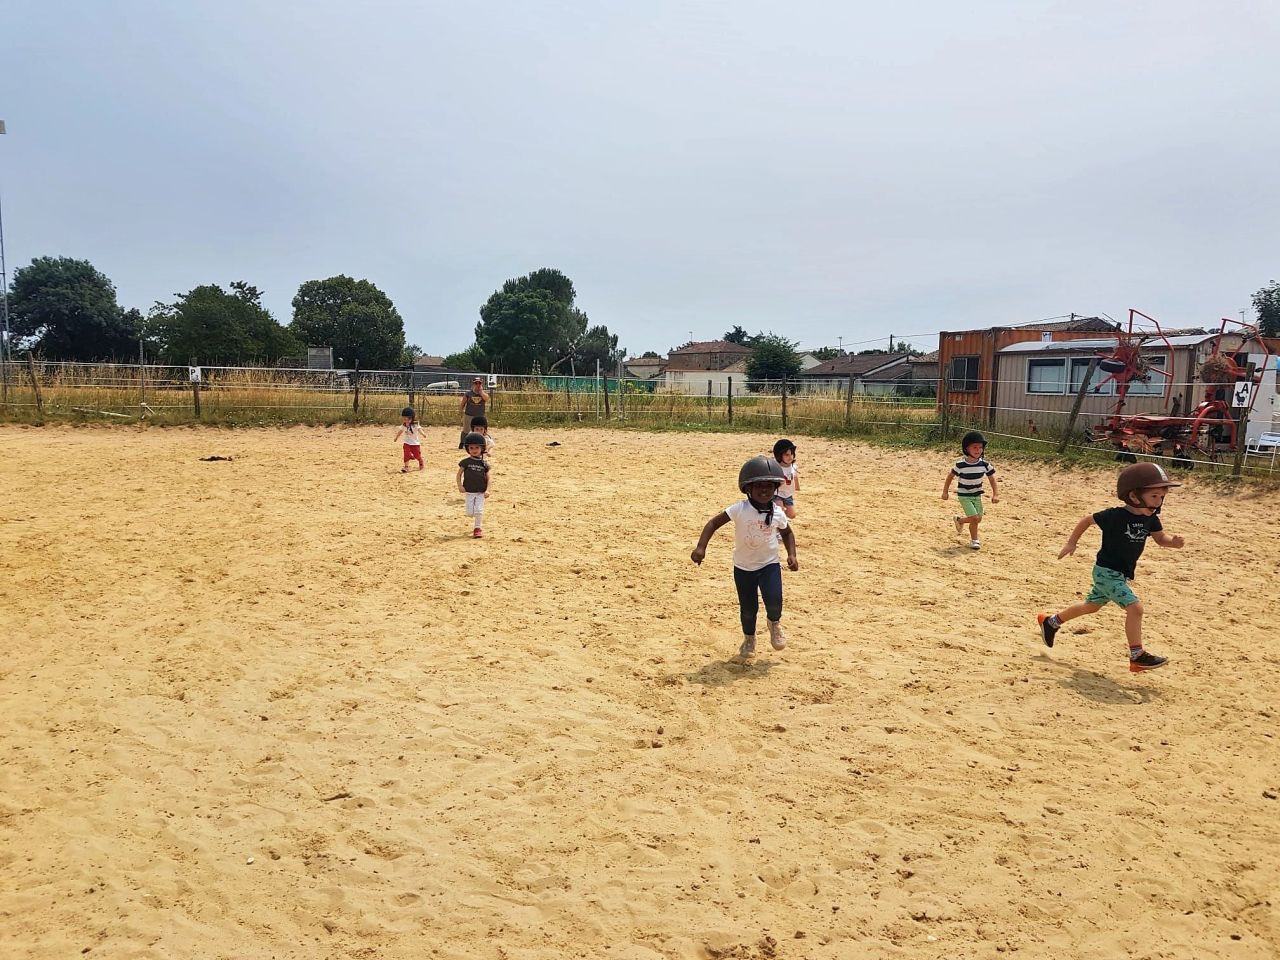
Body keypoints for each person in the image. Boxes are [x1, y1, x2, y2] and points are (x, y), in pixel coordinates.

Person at [1037, 462, 1185, 672]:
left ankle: (1051, 622)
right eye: (1154, 496)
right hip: (1106, 572)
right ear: (1133, 495)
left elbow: (1161, 539)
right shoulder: (1115, 516)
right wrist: (1071, 543)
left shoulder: (1150, 518)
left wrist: (1173, 542)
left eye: (1162, 497)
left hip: (1120, 574)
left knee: (1091, 606)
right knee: (1135, 608)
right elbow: (1087, 520)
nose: (1159, 501)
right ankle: (1137, 655)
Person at [690, 455, 800, 658]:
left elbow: (787, 533)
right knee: (748, 609)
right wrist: (701, 548)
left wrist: (791, 554)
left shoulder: (777, 512)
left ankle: (774, 623)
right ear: (748, 488)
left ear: (775, 489)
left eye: (769, 486)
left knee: (774, 601)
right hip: (743, 568)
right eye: (759, 486)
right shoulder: (740, 509)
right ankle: (749, 638)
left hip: (769, 565)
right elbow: (713, 523)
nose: (764, 490)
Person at [942, 430, 999, 549]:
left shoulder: (985, 465)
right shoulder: (960, 465)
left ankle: (960, 521)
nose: (978, 450)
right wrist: (945, 492)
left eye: (980, 447)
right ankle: (974, 540)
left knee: (978, 519)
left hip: (977, 495)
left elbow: (992, 479)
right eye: (974, 447)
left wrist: (995, 494)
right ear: (966, 448)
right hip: (964, 495)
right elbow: (950, 477)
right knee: (974, 518)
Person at [456, 432, 491, 538]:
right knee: (469, 513)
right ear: (467, 449)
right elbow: (459, 474)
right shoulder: (465, 462)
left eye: (477, 447)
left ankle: (477, 528)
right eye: (471, 448)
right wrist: (460, 486)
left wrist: (488, 490)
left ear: (482, 448)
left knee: (479, 511)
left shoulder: (484, 464)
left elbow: (489, 478)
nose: (474, 450)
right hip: (469, 491)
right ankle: (475, 520)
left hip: (480, 491)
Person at [459, 377, 490, 448]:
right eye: (476, 383)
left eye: (479, 383)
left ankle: (482, 443)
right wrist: (461, 411)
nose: (478, 385)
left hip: (480, 415)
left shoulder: (483, 394)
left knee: (482, 430)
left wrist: (481, 392)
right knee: (466, 430)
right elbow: (463, 403)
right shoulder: (468, 394)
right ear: (473, 384)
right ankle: (462, 443)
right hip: (469, 414)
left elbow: (486, 399)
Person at [772, 438, 799, 519]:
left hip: (788, 494)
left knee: (792, 515)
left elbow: (795, 477)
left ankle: (779, 517)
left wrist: (797, 487)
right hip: (777, 494)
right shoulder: (776, 467)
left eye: (792, 454)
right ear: (779, 456)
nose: (790, 457)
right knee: (780, 512)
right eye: (787, 455)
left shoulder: (793, 466)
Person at [392, 406, 424, 473]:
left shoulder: (415, 424)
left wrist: (423, 434)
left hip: (415, 443)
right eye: (404, 419)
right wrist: (396, 437)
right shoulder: (404, 425)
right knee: (406, 454)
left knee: (417, 455)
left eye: (406, 419)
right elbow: (400, 431)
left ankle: (420, 461)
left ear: (411, 418)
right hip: (407, 442)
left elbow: (419, 429)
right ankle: (406, 467)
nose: (405, 421)